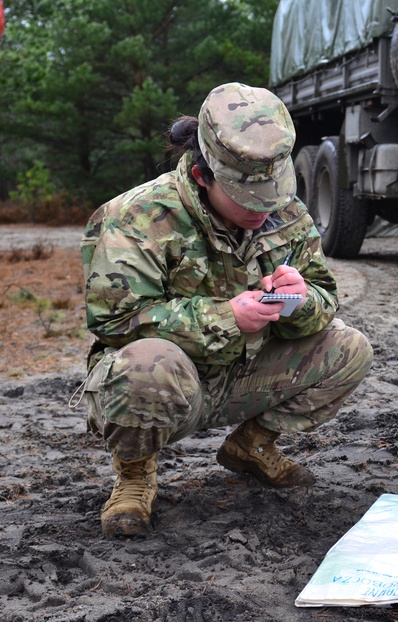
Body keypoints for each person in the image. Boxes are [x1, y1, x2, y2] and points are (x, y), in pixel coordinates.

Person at [80, 82, 373, 536]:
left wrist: (299, 301)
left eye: (272, 194)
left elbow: (324, 295)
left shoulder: (285, 210)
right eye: (247, 198)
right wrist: (225, 317)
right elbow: (116, 322)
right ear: (202, 176)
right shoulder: (138, 216)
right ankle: (134, 475)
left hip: (247, 372)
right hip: (169, 384)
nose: (264, 209)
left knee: (350, 347)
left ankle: (252, 446)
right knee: (144, 366)